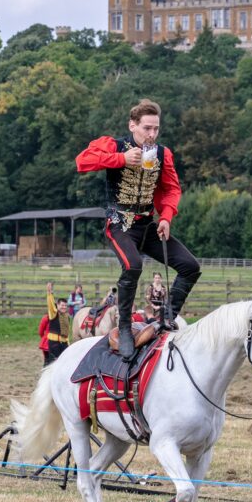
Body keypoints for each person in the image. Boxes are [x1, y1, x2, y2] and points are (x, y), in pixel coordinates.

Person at [76, 98, 201, 359]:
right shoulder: (113, 145)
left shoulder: (162, 154)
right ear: (132, 125)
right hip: (119, 225)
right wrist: (120, 158)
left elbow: (170, 188)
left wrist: (166, 217)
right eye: (146, 128)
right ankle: (123, 328)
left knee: (191, 266)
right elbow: (82, 162)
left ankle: (166, 318)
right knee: (133, 265)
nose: (152, 134)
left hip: (148, 226)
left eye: (156, 129)